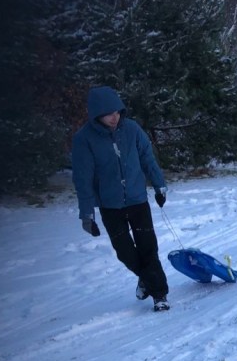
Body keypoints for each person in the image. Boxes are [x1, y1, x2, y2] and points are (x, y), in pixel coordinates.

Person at [72, 86, 171, 312]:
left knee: (148, 249)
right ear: (97, 114)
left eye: (117, 111)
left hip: (137, 200)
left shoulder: (132, 129)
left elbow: (147, 158)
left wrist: (159, 185)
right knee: (125, 253)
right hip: (110, 205)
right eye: (109, 113)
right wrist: (87, 213)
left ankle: (160, 294)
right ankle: (147, 278)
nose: (114, 116)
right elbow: (82, 178)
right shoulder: (84, 139)